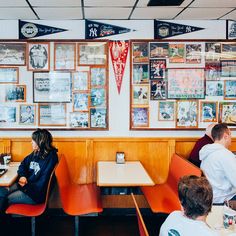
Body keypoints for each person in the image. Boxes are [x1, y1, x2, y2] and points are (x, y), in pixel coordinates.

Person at [7, 129, 58, 205]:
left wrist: (25, 187)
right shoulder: (37, 152)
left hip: (35, 195)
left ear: (40, 142)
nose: (31, 142)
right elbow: (23, 164)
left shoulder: (50, 158)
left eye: (33, 140)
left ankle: (4, 217)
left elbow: (42, 184)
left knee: (5, 198)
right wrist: (23, 176)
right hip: (28, 187)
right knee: (3, 191)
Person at [200, 123, 236, 204]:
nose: (231, 138)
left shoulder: (207, 150)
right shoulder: (225, 155)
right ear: (225, 136)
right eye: (230, 135)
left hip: (211, 193)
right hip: (222, 197)